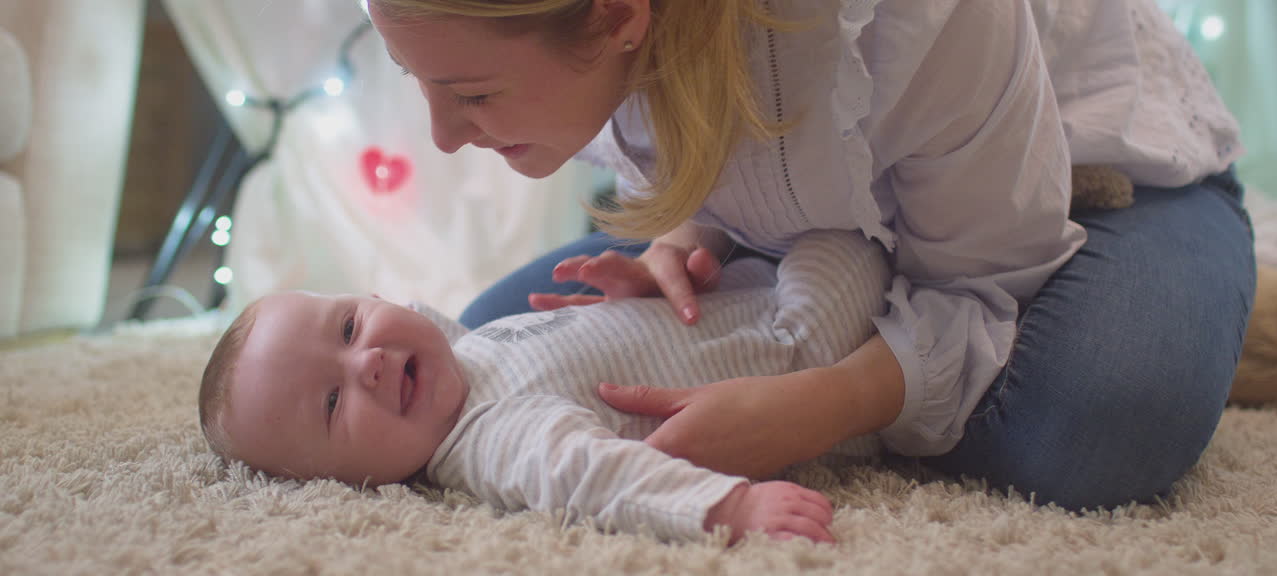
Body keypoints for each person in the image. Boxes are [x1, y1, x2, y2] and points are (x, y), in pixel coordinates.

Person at [337, 0, 1257, 511]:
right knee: (490, 350)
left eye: (470, 94)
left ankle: (1219, 311)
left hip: (1100, 190)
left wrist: (816, 407)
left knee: (1096, 433)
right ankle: (867, 330)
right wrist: (690, 238)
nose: (444, 138)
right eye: (415, 79)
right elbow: (727, 144)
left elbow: (983, 282)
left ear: (618, 13)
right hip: (832, 232)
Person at [199, 230, 891, 544]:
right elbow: (596, 476)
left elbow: (421, 324)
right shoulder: (490, 442)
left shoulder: (464, 349)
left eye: (349, 325)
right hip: (796, 342)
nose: (367, 364)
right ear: (346, 482)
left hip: (728, 291)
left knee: (773, 205)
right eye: (331, 403)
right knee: (863, 237)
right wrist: (728, 507)